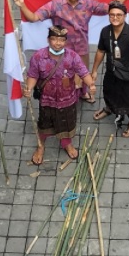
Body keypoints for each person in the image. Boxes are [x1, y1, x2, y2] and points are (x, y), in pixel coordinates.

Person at [14, 0, 129, 103]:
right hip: (61, 49)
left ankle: (83, 93)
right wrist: (22, 5)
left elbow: (108, 9)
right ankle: (67, 97)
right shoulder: (55, 4)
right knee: (64, 75)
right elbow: (33, 18)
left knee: (83, 73)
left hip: (82, 46)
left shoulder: (88, 3)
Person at [23, 25, 97, 165]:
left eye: (61, 40)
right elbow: (33, 75)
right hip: (47, 100)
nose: (58, 43)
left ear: (65, 41)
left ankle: (66, 143)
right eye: (54, 39)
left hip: (67, 100)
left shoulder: (72, 56)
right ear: (48, 40)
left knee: (66, 124)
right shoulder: (38, 57)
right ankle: (41, 145)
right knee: (45, 124)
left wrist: (91, 84)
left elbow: (83, 72)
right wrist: (29, 88)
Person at [91, 1, 129, 137]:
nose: (115, 18)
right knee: (109, 91)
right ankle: (110, 108)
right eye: (112, 15)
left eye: (119, 15)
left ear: (125, 16)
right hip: (112, 71)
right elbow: (100, 51)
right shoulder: (105, 31)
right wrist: (94, 70)